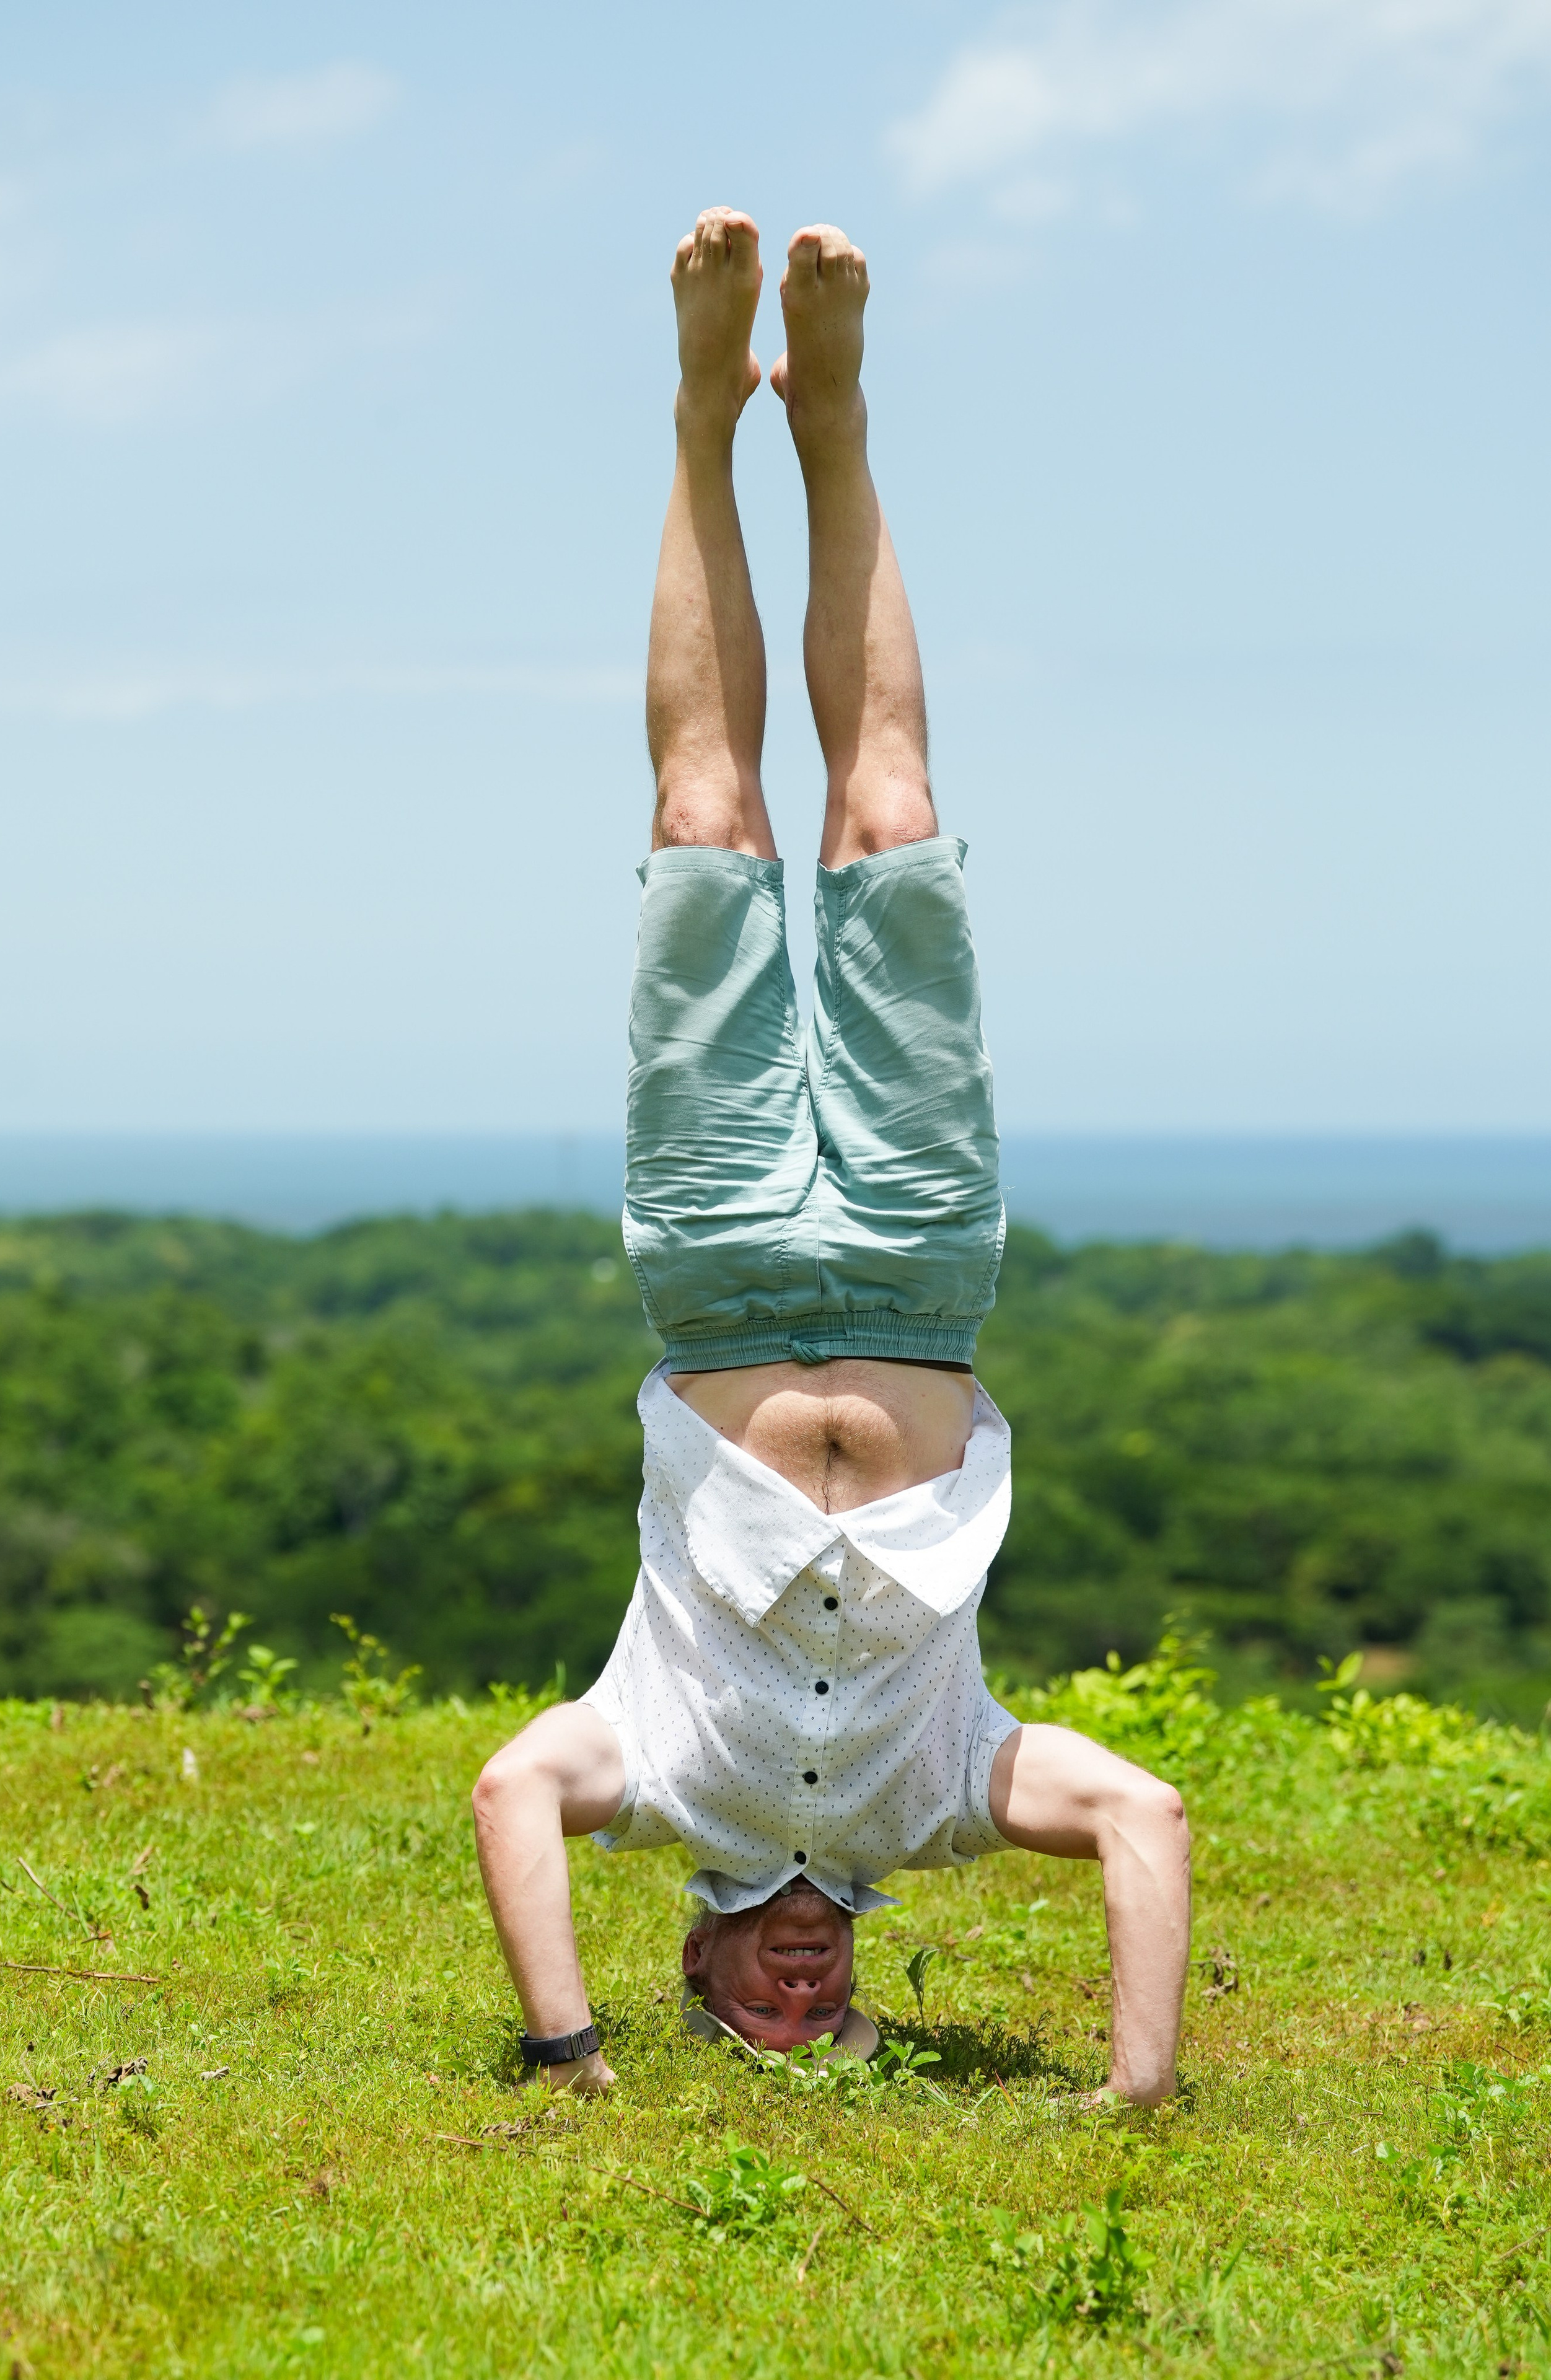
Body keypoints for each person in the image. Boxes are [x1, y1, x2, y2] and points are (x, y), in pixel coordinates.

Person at [472, 207, 1191, 2102]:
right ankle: (842, 420)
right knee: (891, 815)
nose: (796, 1988)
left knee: (705, 813)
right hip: (924, 1266)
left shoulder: (649, 1774)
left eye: (753, 2006)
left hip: (713, 1256)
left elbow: (508, 1790)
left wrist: (567, 2048)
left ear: (695, 1962)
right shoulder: (945, 1801)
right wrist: (1135, 2095)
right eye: (821, 2011)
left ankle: (709, 415)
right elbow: (1149, 1813)